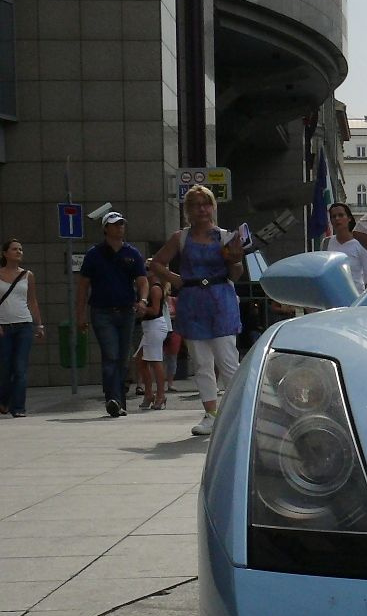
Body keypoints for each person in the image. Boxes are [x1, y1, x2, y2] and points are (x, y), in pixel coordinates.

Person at [149, 185, 244, 437]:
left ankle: (237, 414)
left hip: (220, 299)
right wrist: (175, 278)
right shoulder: (180, 238)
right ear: (187, 210)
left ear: (213, 207)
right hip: (193, 301)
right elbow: (155, 262)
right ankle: (210, 414)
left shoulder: (225, 237)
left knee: (228, 360)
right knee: (201, 363)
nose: (202, 209)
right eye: (195, 205)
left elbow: (237, 274)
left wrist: (234, 259)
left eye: (206, 203)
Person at [75, 212, 149, 418]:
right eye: (114, 225)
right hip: (101, 312)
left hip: (126, 312)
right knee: (111, 355)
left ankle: (119, 401)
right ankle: (112, 398)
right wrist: (80, 316)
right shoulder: (94, 254)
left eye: (121, 224)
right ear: (105, 229)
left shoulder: (131, 253)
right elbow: (83, 286)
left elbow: (143, 281)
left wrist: (143, 300)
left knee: (123, 358)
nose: (119, 228)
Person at [0, 239, 47, 418]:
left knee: (20, 368)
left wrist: (39, 324)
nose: (19, 251)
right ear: (5, 253)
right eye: (14, 249)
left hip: (24, 326)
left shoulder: (28, 275)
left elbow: (32, 301)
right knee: (5, 369)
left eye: (20, 249)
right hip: (4, 326)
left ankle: (18, 407)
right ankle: (4, 401)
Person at [137, 273, 171, 410]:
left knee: (156, 361)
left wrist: (140, 307)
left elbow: (155, 310)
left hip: (155, 326)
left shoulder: (155, 289)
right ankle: (149, 393)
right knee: (140, 361)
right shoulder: (147, 288)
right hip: (148, 327)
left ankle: (161, 395)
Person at [327, 201, 367, 292]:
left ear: (349, 218)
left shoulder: (362, 243)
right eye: (333, 216)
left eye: (341, 215)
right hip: (332, 296)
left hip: (355, 297)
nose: (337, 219)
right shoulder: (327, 243)